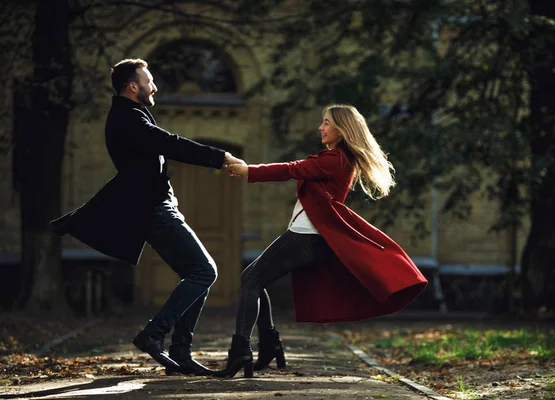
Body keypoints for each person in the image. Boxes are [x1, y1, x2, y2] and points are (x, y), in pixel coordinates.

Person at [51, 58, 242, 376]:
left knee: (196, 274)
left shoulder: (131, 115)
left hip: (159, 206)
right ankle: (154, 334)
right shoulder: (128, 118)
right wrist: (220, 157)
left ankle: (181, 352)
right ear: (132, 86)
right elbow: (169, 143)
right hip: (154, 210)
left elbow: (152, 158)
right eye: (149, 81)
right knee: (204, 272)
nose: (155, 86)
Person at [216, 104, 428, 378]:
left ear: (341, 129)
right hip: (309, 236)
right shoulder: (335, 159)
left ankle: (242, 352)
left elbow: (292, 169)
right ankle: (268, 345)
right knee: (254, 279)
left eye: (326, 123)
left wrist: (248, 171)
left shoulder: (335, 160)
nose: (321, 127)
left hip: (306, 236)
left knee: (251, 280)